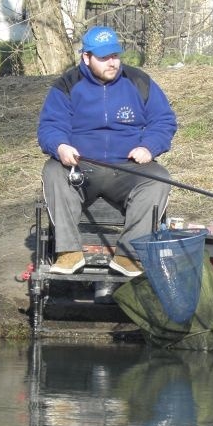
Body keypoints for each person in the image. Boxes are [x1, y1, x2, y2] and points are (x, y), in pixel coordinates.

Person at [37, 26, 178, 277]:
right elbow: (50, 126)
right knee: (52, 170)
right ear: (86, 58)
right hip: (80, 168)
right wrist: (60, 146)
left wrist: (149, 147)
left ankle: (129, 256)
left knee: (159, 178)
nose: (112, 63)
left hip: (128, 168)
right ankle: (69, 252)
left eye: (115, 55)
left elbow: (163, 121)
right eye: (104, 58)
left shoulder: (139, 81)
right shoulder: (66, 86)